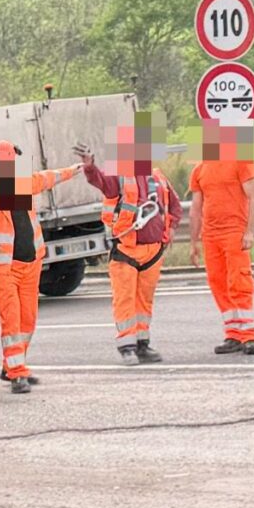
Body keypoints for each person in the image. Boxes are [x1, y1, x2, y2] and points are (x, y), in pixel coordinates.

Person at [0, 140, 81, 394]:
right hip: (3, 270)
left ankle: (12, 364)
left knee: (28, 320)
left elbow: (47, 178)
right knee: (11, 319)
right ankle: (16, 373)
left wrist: (75, 170)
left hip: (30, 265)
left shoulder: (21, 186)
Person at [77, 139, 183, 365]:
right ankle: (127, 347)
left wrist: (172, 228)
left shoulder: (157, 178)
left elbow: (174, 206)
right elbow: (100, 181)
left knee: (144, 302)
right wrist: (89, 165)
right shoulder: (119, 178)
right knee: (125, 300)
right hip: (126, 251)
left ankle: (143, 345)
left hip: (153, 252)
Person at [188, 145, 254, 355]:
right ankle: (233, 334)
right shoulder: (199, 168)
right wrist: (193, 243)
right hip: (211, 235)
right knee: (218, 283)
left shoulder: (241, 160)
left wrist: (249, 231)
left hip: (235, 231)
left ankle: (249, 336)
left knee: (239, 280)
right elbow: (196, 208)